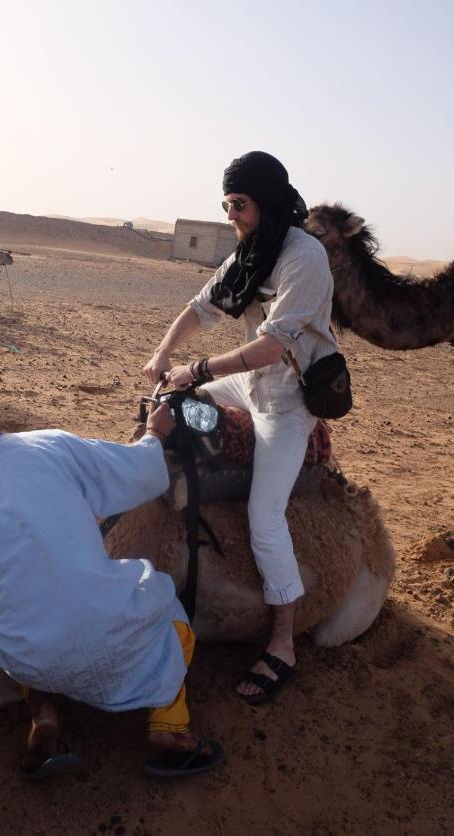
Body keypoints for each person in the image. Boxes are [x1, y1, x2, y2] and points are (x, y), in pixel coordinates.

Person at [0, 350, 224, 778]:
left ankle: (44, 717)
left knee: (20, 627)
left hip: (27, 659)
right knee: (170, 612)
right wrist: (153, 434)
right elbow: (140, 472)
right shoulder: (48, 445)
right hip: (111, 636)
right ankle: (170, 727)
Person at [144, 151, 337, 705]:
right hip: (248, 386)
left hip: (287, 400)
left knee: (264, 515)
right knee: (170, 406)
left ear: (268, 201)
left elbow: (272, 347)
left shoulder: (305, 258)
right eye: (226, 204)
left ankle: (282, 644)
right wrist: (162, 354)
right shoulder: (251, 252)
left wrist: (198, 368)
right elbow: (200, 308)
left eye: (240, 204)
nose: (232, 214)